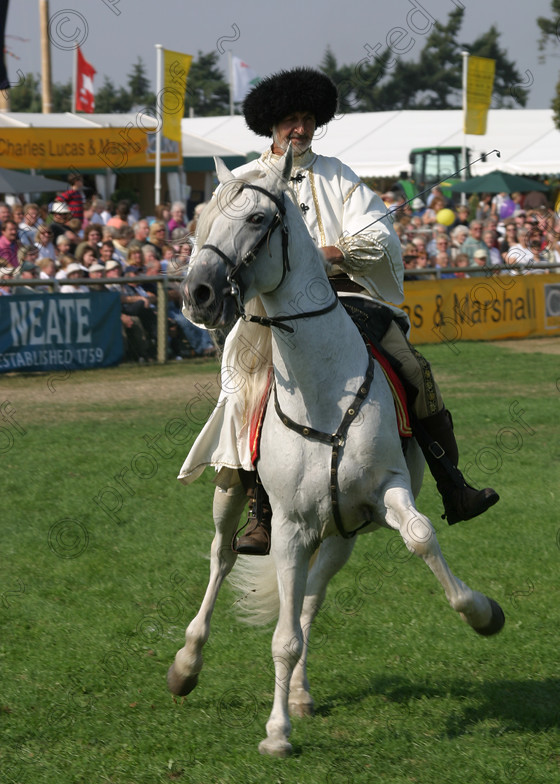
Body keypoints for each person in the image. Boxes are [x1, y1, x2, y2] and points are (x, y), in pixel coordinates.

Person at [181, 67, 498, 554]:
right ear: (272, 124)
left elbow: (379, 234)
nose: (300, 128)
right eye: (291, 119)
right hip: (267, 313)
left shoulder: (338, 175)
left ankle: (452, 485)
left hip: (345, 300)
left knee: (414, 367)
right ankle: (261, 513)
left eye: (308, 119)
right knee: (245, 391)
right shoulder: (242, 180)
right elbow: (211, 248)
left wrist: (339, 251)